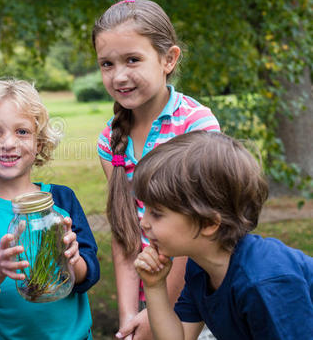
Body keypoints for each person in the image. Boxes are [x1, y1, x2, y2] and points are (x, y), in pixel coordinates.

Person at [92, 0, 221, 340]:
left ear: (169, 59)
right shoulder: (109, 140)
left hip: (197, 296)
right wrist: (129, 317)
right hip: (147, 286)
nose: (119, 76)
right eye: (107, 64)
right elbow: (125, 232)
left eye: (132, 60)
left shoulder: (196, 126)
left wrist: (157, 311)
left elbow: (193, 232)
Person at [129, 130, 313, 340]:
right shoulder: (200, 267)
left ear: (208, 223)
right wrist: (154, 286)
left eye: (157, 214)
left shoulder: (263, 282)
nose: (143, 223)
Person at [0, 78, 100, 339]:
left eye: (22, 132)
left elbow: (89, 273)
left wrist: (73, 262)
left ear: (39, 142)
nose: (8, 143)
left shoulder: (63, 200)